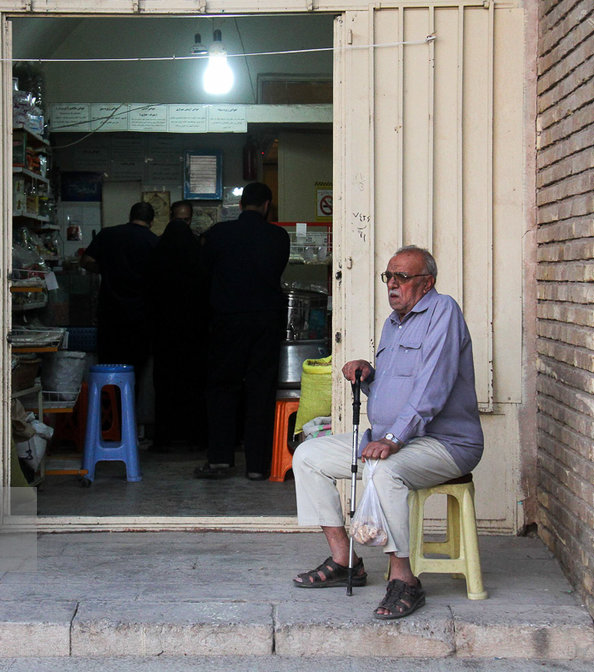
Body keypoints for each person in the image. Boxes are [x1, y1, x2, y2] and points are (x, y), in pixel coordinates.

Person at [290, 245, 483, 621]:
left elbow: (433, 388)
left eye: (402, 278)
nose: (392, 285)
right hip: (392, 438)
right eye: (389, 277)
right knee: (308, 456)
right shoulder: (393, 323)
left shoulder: (443, 313)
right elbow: (396, 389)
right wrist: (368, 376)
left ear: (426, 284)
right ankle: (345, 559)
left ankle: (404, 578)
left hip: (445, 444)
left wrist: (393, 440)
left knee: (387, 470)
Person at [195, 182, 290, 481]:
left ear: (240, 205)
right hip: (266, 320)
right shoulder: (278, 236)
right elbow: (277, 271)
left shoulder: (218, 235)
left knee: (223, 386)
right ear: (266, 205)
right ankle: (258, 466)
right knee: (261, 389)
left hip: (228, 319)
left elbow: (204, 272)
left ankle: (221, 459)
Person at [148, 201, 207, 451]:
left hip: (164, 331)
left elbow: (148, 290)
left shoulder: (158, 250)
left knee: (164, 386)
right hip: (194, 331)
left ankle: (163, 438)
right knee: (194, 384)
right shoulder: (197, 251)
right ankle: (195, 437)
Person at [80, 202, 159, 372]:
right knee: (135, 368)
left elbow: (86, 261)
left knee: (109, 364)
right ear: (151, 221)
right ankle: (130, 397)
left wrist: (105, 268)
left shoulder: (108, 234)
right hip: (141, 316)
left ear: (130, 216)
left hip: (110, 313)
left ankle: (109, 397)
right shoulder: (155, 242)